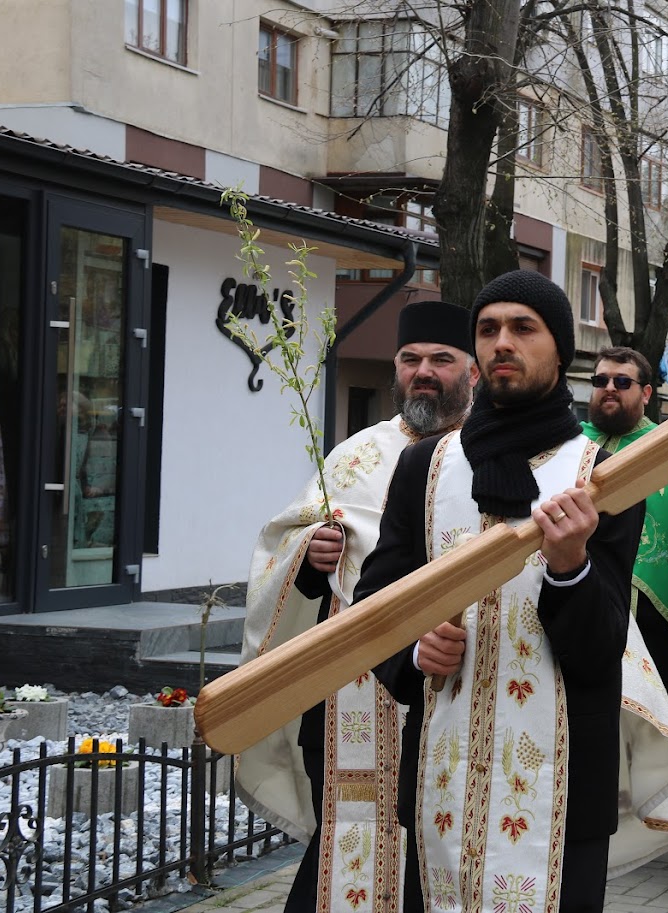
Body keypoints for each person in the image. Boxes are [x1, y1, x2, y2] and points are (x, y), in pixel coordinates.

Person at [360, 270, 668, 912]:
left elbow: (602, 647)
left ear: (560, 350)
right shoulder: (423, 467)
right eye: (488, 329)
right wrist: (414, 653)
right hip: (443, 768)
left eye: (522, 328)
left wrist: (570, 566)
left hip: (561, 785)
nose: (502, 342)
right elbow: (377, 605)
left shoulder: (602, 476)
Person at [236, 300, 478, 913]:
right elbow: (286, 548)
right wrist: (309, 557)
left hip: (460, 676)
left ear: (472, 373)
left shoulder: (493, 456)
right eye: (410, 360)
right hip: (352, 692)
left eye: (441, 360)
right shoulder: (354, 456)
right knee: (347, 833)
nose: (423, 372)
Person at [581, 345, 668, 698]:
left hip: (650, 611)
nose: (610, 388)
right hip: (577, 596)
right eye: (601, 380)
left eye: (622, 381)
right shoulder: (571, 446)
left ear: (646, 393)